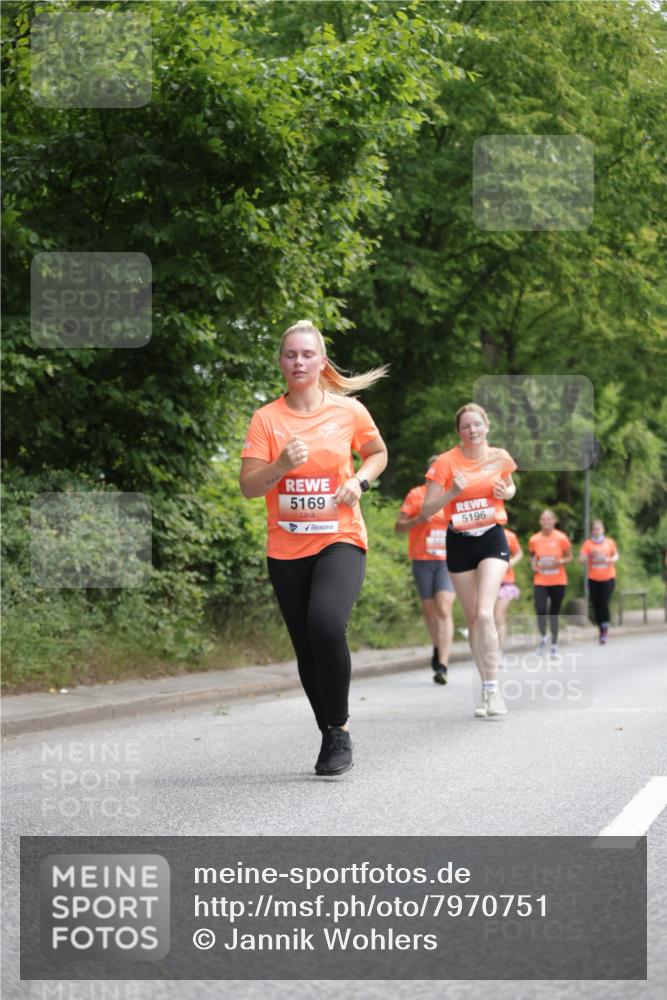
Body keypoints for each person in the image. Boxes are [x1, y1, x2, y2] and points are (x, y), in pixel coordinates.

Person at [239, 319, 388, 777]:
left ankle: (339, 727)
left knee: (325, 625)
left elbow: (377, 453)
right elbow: (248, 487)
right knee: (305, 646)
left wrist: (358, 481)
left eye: (307, 354)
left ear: (322, 362)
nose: (298, 362)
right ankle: (328, 734)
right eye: (290, 355)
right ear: (281, 363)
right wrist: (281, 465)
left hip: (339, 536)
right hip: (286, 547)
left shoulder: (349, 412)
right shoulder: (267, 419)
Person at [419, 403, 517, 718]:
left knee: (485, 614)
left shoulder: (500, 457)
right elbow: (426, 508)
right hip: (459, 541)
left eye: (477, 424)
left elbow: (510, 486)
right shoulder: (447, 462)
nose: (472, 430)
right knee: (473, 619)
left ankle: (493, 691)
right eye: (466, 427)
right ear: (458, 432)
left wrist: (509, 491)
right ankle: (487, 687)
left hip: (492, 537)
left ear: (487, 425)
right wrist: (451, 493)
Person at [394, 457, 456, 685]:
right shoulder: (416, 495)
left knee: (443, 606)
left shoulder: (453, 495)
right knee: (430, 612)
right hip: (422, 560)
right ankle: (438, 647)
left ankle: (443, 664)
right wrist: (419, 519)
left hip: (448, 561)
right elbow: (398, 527)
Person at [528, 510, 572, 657]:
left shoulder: (561, 538)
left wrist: (560, 561)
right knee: (540, 610)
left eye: (548, 519)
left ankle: (554, 644)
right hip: (541, 580)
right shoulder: (534, 539)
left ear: (554, 521)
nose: (546, 522)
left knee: (554, 613)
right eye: (543, 519)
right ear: (540, 522)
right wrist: (533, 565)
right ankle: (543, 638)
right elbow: (533, 557)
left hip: (558, 580)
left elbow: (569, 557)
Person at [579, 519, 619, 644]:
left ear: (603, 530)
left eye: (599, 528)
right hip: (593, 578)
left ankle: (605, 627)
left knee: (604, 601)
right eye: (595, 528)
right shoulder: (588, 544)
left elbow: (616, 555)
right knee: (596, 604)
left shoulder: (609, 542)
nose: (597, 531)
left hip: (608, 577)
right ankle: (600, 629)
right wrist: (588, 556)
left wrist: (611, 560)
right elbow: (581, 560)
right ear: (592, 531)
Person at [493, 526, 523, 661]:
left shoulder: (509, 535)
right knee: (485, 616)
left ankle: (499, 651)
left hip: (505, 581)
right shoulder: (480, 534)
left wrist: (511, 562)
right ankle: (489, 649)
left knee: (498, 616)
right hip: (488, 582)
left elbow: (519, 552)